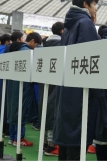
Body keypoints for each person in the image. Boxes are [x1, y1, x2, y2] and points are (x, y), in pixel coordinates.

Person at [52, 0, 100, 161]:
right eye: (94, 4)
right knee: (77, 142)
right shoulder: (85, 24)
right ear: (85, 4)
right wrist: (99, 92)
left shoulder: (69, 25)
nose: (95, 9)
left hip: (68, 91)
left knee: (67, 142)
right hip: (81, 93)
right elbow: (92, 60)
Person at [5, 32, 40, 147]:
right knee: (22, 110)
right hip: (23, 85)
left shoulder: (14, 49)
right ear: (33, 41)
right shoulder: (27, 53)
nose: (36, 47)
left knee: (13, 109)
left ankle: (12, 137)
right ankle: (19, 138)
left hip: (12, 84)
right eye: (36, 45)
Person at [40, 21, 64, 156]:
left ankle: (45, 143)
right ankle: (52, 146)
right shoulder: (62, 45)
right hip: (57, 84)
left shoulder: (44, 45)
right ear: (62, 31)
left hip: (45, 84)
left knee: (45, 110)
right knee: (54, 111)